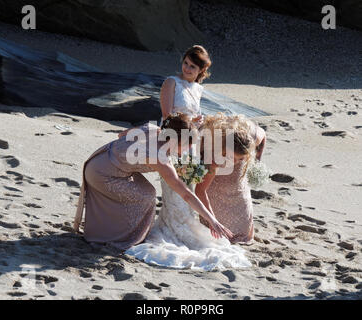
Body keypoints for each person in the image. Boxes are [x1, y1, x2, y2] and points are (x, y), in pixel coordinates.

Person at [73, 113, 233, 250]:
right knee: (147, 196)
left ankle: (113, 229)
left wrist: (129, 158)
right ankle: (127, 238)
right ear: (177, 142)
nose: (186, 150)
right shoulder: (160, 158)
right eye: (186, 146)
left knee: (147, 191)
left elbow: (121, 135)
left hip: (99, 158)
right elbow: (186, 194)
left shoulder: (154, 129)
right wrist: (212, 220)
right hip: (102, 174)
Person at [196, 113, 266, 244]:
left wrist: (257, 161)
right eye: (232, 157)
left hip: (237, 187)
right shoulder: (214, 154)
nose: (234, 162)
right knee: (216, 236)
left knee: (243, 234)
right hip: (214, 185)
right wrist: (212, 220)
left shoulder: (253, 136)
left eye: (239, 158)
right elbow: (200, 191)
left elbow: (263, 135)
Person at [160, 44, 211, 127]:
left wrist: (199, 121)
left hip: (191, 133)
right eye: (186, 63)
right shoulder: (171, 82)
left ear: (201, 70)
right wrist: (191, 121)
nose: (187, 68)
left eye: (192, 66)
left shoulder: (198, 88)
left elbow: (194, 114)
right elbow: (166, 116)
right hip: (171, 133)